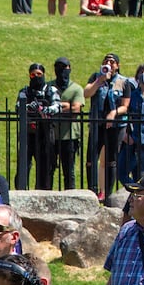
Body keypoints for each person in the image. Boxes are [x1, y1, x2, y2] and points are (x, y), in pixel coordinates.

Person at [85, 53, 127, 198]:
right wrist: (99, 81)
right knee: (91, 159)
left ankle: (108, 194)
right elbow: (86, 93)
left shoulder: (123, 82)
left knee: (111, 160)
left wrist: (113, 113)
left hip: (116, 126)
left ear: (117, 66)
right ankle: (92, 191)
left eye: (113, 62)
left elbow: (125, 106)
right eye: (106, 61)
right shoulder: (96, 77)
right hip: (97, 124)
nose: (109, 64)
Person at [18, 63, 62, 190]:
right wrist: (28, 107)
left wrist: (44, 109)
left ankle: (44, 190)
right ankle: (21, 190)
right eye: (33, 74)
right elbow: (18, 106)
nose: (36, 77)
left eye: (39, 74)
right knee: (24, 165)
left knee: (46, 165)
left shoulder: (51, 90)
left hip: (46, 133)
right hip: (28, 133)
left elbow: (58, 106)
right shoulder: (24, 91)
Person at [53, 58, 85, 190]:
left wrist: (57, 107)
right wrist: (66, 106)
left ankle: (70, 193)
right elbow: (46, 107)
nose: (62, 71)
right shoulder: (50, 87)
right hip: (52, 135)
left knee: (69, 172)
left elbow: (76, 109)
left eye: (65, 68)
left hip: (70, 136)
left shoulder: (76, 88)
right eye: (59, 67)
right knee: (48, 169)